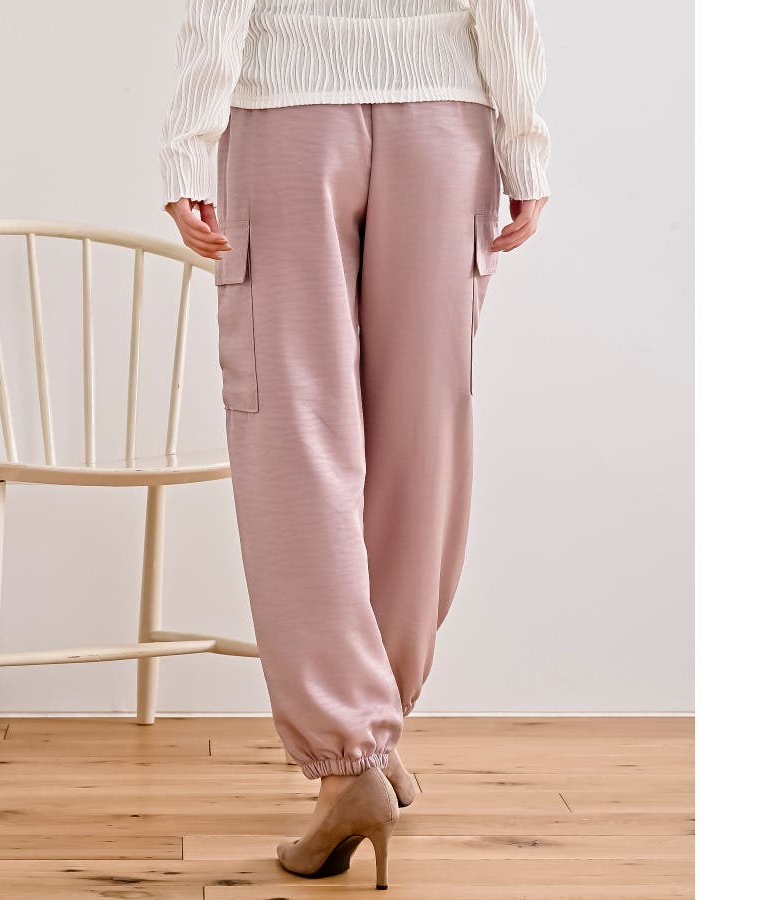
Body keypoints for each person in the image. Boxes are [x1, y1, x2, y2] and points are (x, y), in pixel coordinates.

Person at [160, 0, 550, 888]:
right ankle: (375, 725)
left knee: (295, 436)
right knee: (424, 437)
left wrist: (188, 144)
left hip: (286, 120)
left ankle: (352, 756)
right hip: (447, 124)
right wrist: (524, 139)